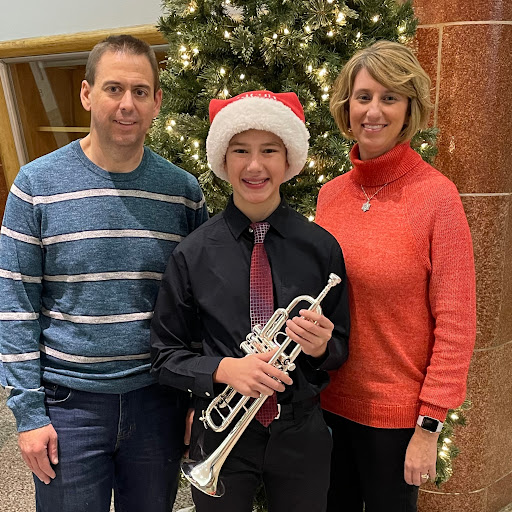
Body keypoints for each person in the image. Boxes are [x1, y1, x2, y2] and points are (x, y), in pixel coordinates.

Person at [0, 35, 208, 512]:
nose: (126, 104)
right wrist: (28, 415)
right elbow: (15, 305)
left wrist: (197, 397)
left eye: (140, 91)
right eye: (114, 88)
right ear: (87, 93)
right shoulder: (35, 186)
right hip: (68, 406)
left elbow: (198, 306)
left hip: (158, 401)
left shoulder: (182, 192)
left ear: (157, 101)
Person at [150, 90, 350, 512]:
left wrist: (321, 347)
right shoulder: (192, 253)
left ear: (289, 159)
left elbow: (340, 349)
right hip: (220, 429)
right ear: (223, 160)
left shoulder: (321, 248)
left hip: (300, 430)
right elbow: (165, 357)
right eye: (241, 150)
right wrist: (227, 369)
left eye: (269, 150)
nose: (255, 166)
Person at [315, 40, 476, 512]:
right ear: (347, 106)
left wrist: (429, 426)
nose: (373, 111)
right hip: (326, 406)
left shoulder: (437, 198)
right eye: (363, 97)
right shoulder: (330, 196)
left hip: (398, 421)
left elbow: (456, 324)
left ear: (409, 109)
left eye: (389, 98)